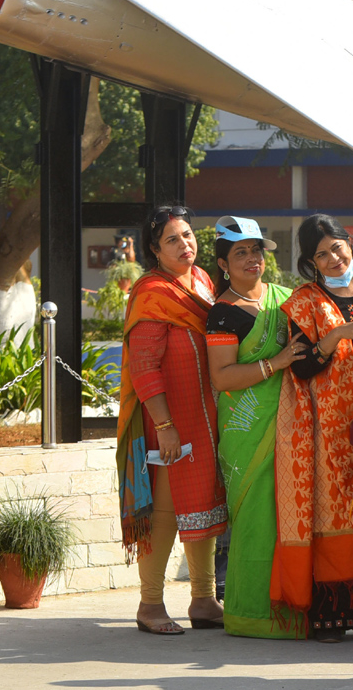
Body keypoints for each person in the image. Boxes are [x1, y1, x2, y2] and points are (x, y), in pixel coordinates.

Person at [279, 214, 353, 642]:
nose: (332, 258)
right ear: (310, 262)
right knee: (336, 513)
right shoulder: (305, 301)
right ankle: (331, 615)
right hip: (330, 428)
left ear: (350, 242)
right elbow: (302, 365)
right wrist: (336, 334)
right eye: (320, 254)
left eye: (337, 247)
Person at [116, 205, 226, 635]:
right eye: (173, 240)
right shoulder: (151, 293)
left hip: (205, 416)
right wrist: (164, 426)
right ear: (154, 250)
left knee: (205, 504)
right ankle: (150, 605)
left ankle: (203, 599)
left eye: (188, 235)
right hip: (167, 422)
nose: (186, 245)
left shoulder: (200, 281)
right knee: (164, 512)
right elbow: (144, 367)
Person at [205, 216, 308, 638]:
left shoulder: (285, 299)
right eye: (240, 252)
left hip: (294, 425)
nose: (252, 259)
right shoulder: (222, 314)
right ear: (224, 263)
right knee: (256, 520)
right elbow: (223, 378)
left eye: (256, 250)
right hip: (247, 429)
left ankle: (297, 607)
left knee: (293, 515)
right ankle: (251, 614)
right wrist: (276, 363)